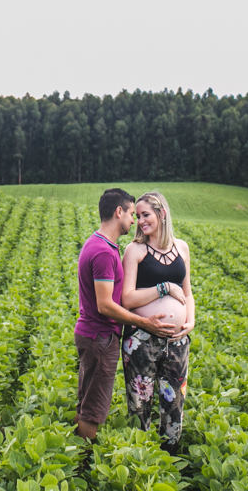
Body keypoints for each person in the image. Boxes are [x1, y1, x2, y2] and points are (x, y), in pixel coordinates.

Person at [75, 187, 177, 440]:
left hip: (96, 336)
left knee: (89, 401)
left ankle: (79, 459)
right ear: (118, 212)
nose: (135, 221)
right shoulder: (102, 251)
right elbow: (105, 305)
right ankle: (85, 467)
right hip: (100, 337)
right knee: (93, 410)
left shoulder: (101, 245)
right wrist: (146, 323)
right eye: (132, 214)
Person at [120, 191, 194, 453]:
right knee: (140, 405)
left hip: (176, 342)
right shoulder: (135, 250)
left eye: (145, 215)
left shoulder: (181, 247)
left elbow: (187, 293)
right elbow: (126, 299)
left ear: (162, 213)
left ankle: (169, 463)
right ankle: (141, 462)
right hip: (142, 339)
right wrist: (164, 288)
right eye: (137, 216)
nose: (140, 221)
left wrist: (191, 320)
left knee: (174, 404)